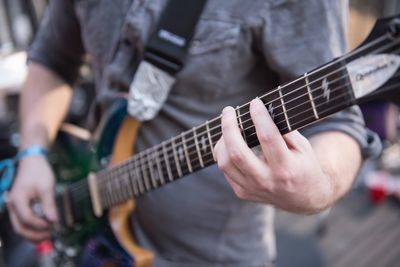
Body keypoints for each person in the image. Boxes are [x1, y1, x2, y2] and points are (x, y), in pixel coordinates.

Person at [7, 0, 381, 266]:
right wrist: (33, 153)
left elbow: (338, 123)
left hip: (213, 256)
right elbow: (53, 59)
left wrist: (318, 187)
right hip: (97, 233)